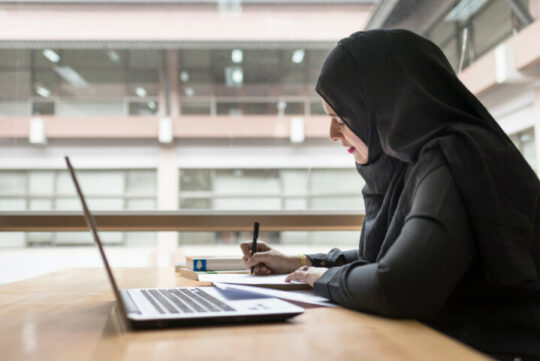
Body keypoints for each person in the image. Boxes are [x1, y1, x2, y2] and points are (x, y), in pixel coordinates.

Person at [240, 29, 540, 361]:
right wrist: (302, 263)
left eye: (341, 117)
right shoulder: (415, 161)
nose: (331, 133)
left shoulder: (453, 156)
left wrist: (323, 278)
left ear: (382, 104)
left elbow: (399, 284)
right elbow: (394, 254)